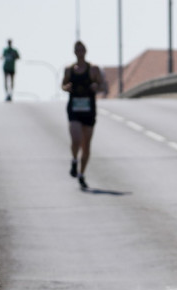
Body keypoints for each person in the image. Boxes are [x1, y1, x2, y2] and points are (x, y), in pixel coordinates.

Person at [61, 40, 106, 189]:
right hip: (74, 109)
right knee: (76, 139)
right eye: (77, 50)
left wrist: (96, 86)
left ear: (85, 51)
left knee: (86, 145)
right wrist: (66, 87)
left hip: (89, 110)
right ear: (74, 52)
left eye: (82, 50)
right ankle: (74, 160)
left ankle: (81, 174)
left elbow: (102, 86)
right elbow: (63, 85)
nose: (80, 52)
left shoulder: (93, 69)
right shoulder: (69, 69)